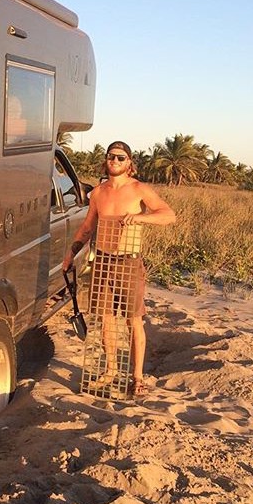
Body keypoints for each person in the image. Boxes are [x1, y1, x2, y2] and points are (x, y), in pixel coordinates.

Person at [63, 140, 175, 395]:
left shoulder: (139, 189)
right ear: (106, 160)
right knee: (105, 318)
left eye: (121, 157)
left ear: (129, 163)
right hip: (102, 260)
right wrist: (70, 253)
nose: (115, 161)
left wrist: (141, 218)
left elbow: (169, 215)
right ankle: (111, 370)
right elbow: (88, 227)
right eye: (111, 156)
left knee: (133, 320)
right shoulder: (99, 192)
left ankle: (137, 378)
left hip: (128, 261)